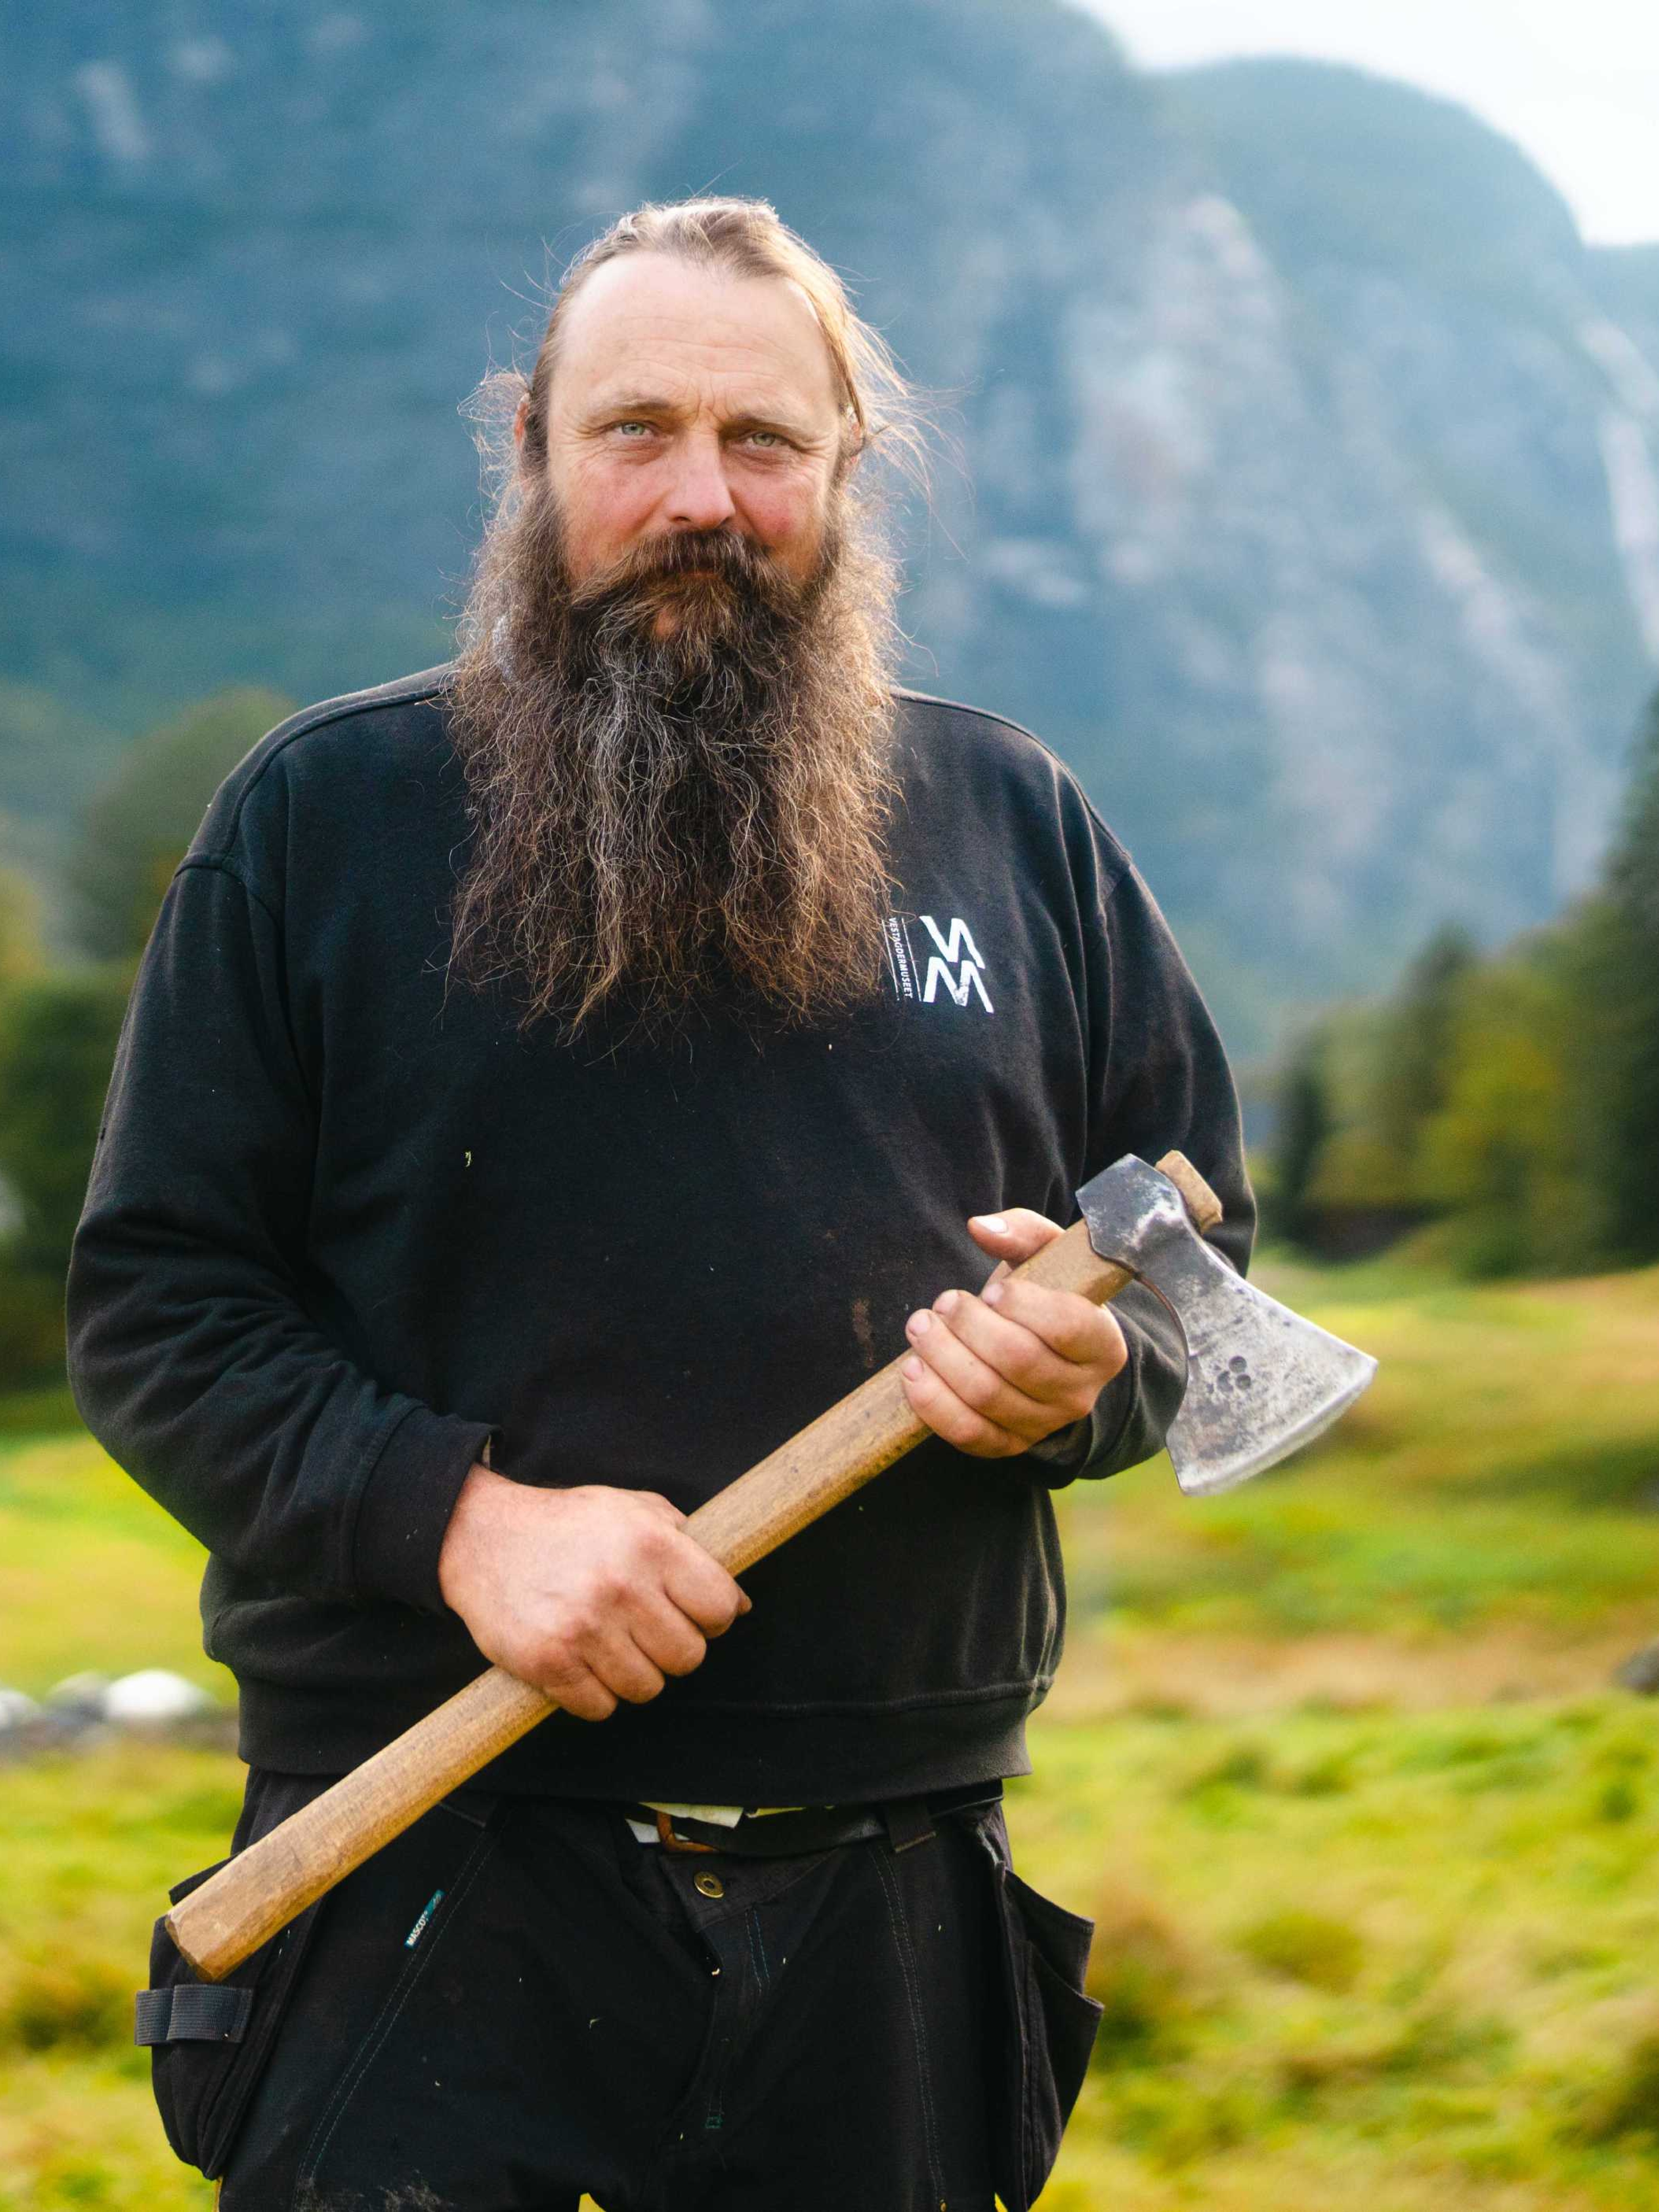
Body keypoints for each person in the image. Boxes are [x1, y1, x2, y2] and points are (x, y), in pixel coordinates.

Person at [67, 197, 1252, 2212]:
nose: (701, 495)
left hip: (890, 1899)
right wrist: (457, 1517)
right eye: (636, 432)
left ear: (846, 466)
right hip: (425, 1870)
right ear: (529, 445)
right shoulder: (325, 821)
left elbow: (1191, 1268)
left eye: (764, 443)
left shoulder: (1016, 822)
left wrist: (1084, 1370)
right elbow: (160, 1302)